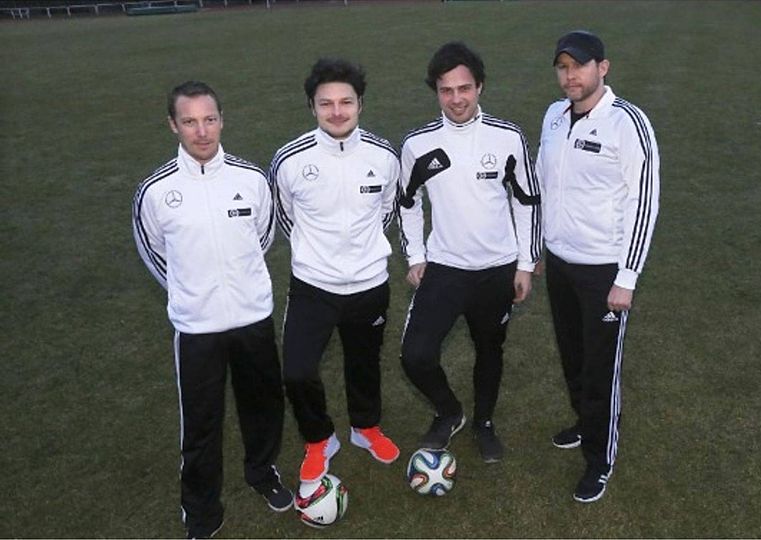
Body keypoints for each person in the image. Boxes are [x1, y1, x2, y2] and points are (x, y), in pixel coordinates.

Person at [132, 81, 292, 538]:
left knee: (263, 406)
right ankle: (202, 510)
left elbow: (262, 239)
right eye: (189, 121)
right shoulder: (156, 191)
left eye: (209, 119)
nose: (201, 132)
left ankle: (263, 474)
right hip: (197, 328)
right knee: (201, 425)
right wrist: (193, 291)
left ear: (222, 119)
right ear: (173, 126)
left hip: (252, 319)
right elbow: (155, 255)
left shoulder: (251, 179)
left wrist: (238, 287)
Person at [397, 42, 542, 463]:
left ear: (479, 87)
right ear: (436, 93)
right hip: (443, 269)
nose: (456, 99)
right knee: (415, 355)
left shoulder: (508, 136)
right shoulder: (417, 145)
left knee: (489, 350)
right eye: (446, 90)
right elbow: (406, 202)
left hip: (497, 271)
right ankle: (449, 411)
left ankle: (484, 424)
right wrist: (415, 256)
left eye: (464, 88)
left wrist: (525, 263)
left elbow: (527, 200)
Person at [536, 30, 661, 503]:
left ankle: (600, 458)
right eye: (563, 67)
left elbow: (643, 201)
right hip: (561, 263)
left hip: (604, 270)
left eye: (580, 66)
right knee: (572, 355)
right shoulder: (552, 115)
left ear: (602, 68)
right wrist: (537, 251)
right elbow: (544, 183)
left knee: (601, 367)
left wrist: (626, 278)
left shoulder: (627, 123)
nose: (571, 76)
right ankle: (583, 424)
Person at [269, 58, 401, 489]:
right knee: (297, 372)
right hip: (313, 286)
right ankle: (319, 438)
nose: (337, 111)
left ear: (360, 104)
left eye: (346, 102)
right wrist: (319, 253)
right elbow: (285, 218)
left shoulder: (383, 156)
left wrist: (359, 252)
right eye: (326, 103)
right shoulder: (289, 159)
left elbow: (386, 212)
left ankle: (365, 429)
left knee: (364, 364)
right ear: (312, 107)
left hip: (369, 284)